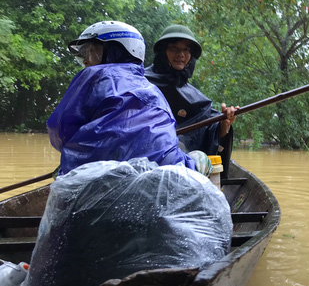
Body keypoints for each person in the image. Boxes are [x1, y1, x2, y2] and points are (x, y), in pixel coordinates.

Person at [47, 20, 199, 175]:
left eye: (93, 52)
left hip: (101, 178)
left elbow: (59, 131)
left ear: (115, 51)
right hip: (162, 176)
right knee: (198, 158)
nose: (86, 60)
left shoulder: (93, 76)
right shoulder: (153, 90)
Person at [144, 24, 238, 178]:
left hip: (180, 167)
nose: (181, 54)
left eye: (187, 50)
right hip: (144, 161)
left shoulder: (198, 100)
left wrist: (223, 126)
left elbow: (208, 132)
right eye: (174, 48)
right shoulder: (140, 82)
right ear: (163, 51)